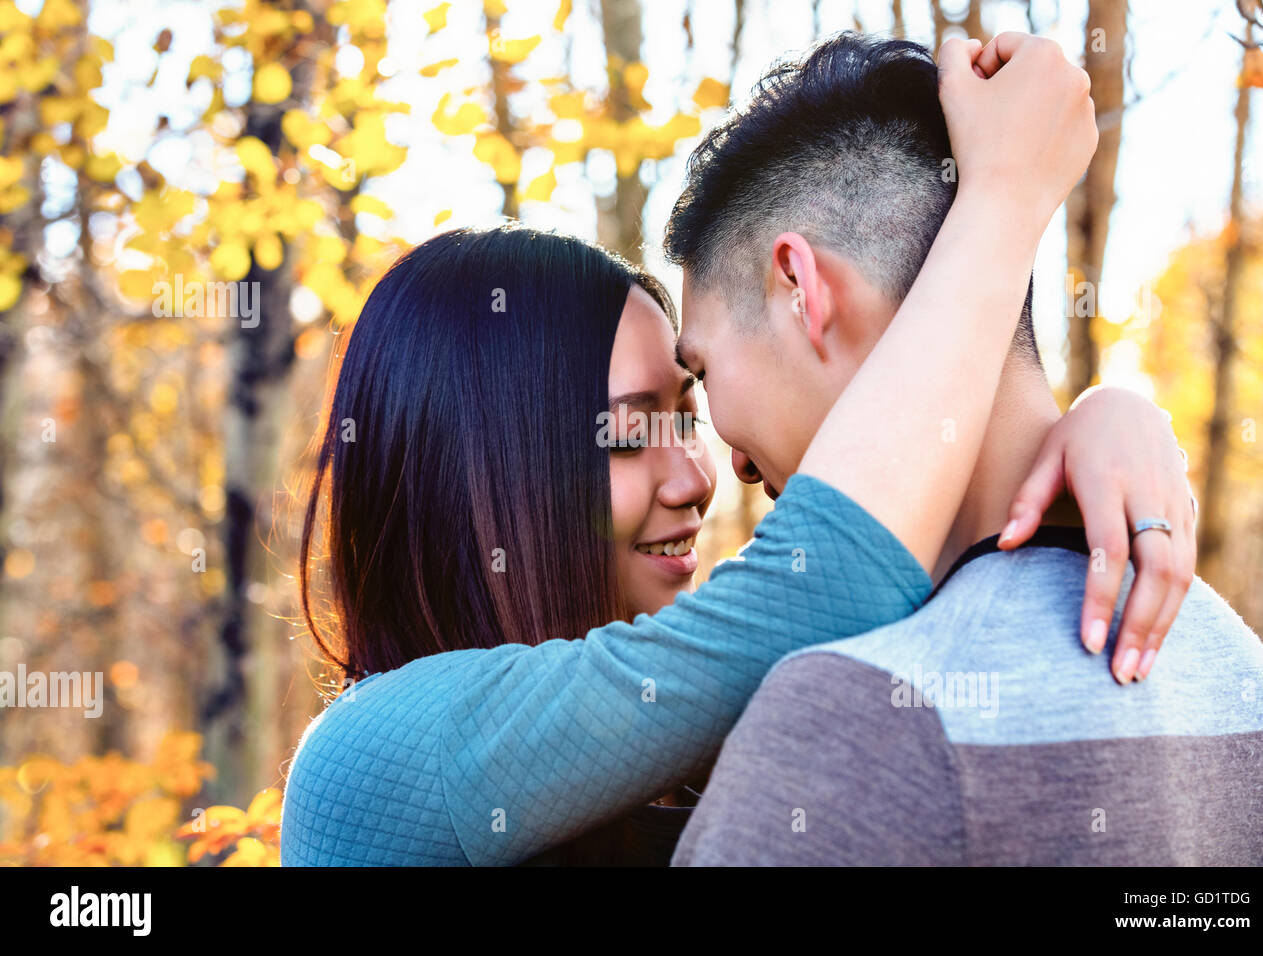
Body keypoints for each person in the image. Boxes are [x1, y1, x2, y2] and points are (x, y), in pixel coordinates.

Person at [279, 32, 1188, 867]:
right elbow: (830, 587)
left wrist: (1092, 426)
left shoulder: (696, 743)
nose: (704, 475)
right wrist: (1007, 196)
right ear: (484, 474)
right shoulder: (375, 760)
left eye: (689, 413)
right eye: (632, 433)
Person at [666, 32, 1263, 867]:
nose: (733, 465)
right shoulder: (1241, 671)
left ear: (800, 290)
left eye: (703, 369)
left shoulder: (848, 719)